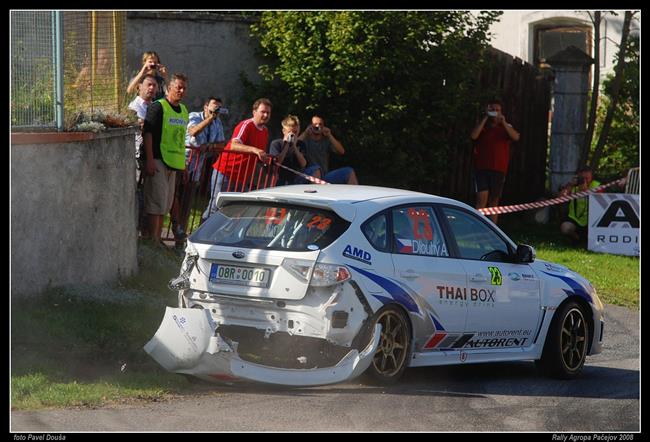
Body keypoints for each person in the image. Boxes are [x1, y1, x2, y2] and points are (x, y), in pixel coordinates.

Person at [202, 98, 271, 221]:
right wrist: (255, 150)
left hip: (242, 178)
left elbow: (258, 154)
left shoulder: (265, 131)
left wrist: (264, 159)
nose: (265, 115)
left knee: (234, 211)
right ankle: (199, 235)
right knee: (216, 207)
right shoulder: (246, 125)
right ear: (254, 112)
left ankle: (219, 238)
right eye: (263, 112)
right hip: (225, 172)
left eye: (268, 113)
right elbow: (234, 144)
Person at [142, 73, 189, 245]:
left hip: (173, 163)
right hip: (158, 159)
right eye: (178, 87)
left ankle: (157, 239)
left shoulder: (183, 110)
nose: (182, 91)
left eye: (184, 88)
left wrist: (183, 164)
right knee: (156, 200)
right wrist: (150, 160)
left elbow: (181, 139)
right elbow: (148, 133)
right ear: (169, 88)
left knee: (166, 203)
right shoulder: (158, 107)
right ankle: (153, 239)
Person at [171, 97, 227, 242]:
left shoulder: (217, 122)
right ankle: (172, 228)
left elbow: (222, 144)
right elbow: (193, 131)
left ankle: (180, 234)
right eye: (214, 106)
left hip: (197, 166)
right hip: (182, 161)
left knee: (187, 200)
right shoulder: (194, 116)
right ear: (206, 106)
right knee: (173, 195)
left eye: (219, 107)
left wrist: (210, 147)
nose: (217, 110)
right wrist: (209, 119)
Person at [470, 98, 520, 224]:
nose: (495, 112)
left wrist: (503, 122)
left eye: (498, 110)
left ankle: (493, 228)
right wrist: (485, 118)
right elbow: (473, 136)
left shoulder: (505, 127)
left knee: (494, 201)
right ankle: (478, 225)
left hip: (499, 169)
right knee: (481, 199)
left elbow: (516, 137)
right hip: (481, 168)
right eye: (492, 109)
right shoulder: (483, 126)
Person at [128, 71, 159, 237]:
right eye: (149, 85)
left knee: (148, 194)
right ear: (139, 87)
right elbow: (142, 126)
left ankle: (146, 231)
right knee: (137, 191)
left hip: (150, 155)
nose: (152, 89)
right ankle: (137, 230)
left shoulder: (154, 106)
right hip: (137, 154)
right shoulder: (135, 106)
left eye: (155, 86)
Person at [298, 115, 358, 184]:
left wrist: (330, 135)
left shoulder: (326, 139)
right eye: (315, 124)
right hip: (308, 176)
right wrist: (305, 133)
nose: (318, 126)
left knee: (349, 171)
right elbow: (294, 146)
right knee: (316, 169)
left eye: (320, 124)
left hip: (324, 175)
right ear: (310, 126)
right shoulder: (305, 138)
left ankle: (354, 194)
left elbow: (341, 151)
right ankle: (317, 194)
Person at [559, 166, 601, 246]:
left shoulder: (597, 186)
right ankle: (577, 239)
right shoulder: (573, 186)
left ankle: (587, 241)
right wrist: (570, 185)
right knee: (565, 228)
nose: (584, 181)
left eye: (587, 178)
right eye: (582, 178)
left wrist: (584, 187)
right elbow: (560, 198)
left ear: (592, 177)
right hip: (575, 218)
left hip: (592, 220)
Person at [268, 115, 308, 186]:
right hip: (280, 179)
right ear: (284, 131)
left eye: (295, 132)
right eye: (290, 132)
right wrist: (286, 145)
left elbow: (303, 164)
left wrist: (295, 147)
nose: (293, 134)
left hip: (296, 179)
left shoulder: (301, 144)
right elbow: (277, 162)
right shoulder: (276, 143)